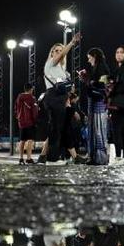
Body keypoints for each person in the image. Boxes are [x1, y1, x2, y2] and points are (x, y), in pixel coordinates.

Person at [41, 33, 82, 162]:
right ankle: (52, 158)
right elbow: (63, 55)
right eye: (56, 51)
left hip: (61, 99)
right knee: (56, 128)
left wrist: (68, 101)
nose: (59, 53)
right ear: (52, 53)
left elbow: (66, 88)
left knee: (63, 128)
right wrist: (71, 43)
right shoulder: (50, 64)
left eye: (60, 50)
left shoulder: (62, 70)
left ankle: (75, 157)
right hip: (53, 97)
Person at [82, 48, 111, 165]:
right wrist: (87, 78)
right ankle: (94, 157)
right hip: (95, 102)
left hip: (99, 103)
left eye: (89, 58)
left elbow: (103, 85)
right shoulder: (97, 68)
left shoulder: (103, 68)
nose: (88, 61)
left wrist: (89, 80)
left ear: (94, 56)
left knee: (99, 130)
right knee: (94, 130)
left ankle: (100, 157)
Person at [14, 83, 39, 164]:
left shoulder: (19, 97)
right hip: (30, 122)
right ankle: (28, 158)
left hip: (21, 122)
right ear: (31, 89)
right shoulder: (32, 98)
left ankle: (21, 158)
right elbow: (34, 111)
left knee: (22, 140)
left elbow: (15, 109)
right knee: (30, 140)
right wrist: (36, 120)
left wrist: (18, 118)